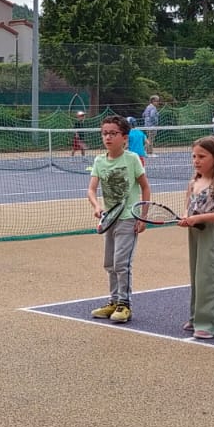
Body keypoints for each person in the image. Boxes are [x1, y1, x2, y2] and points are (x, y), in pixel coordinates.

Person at [86, 115, 150, 325]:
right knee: (110, 263)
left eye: (113, 133)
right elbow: (91, 189)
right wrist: (97, 206)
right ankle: (113, 301)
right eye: (105, 133)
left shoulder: (131, 159)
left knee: (122, 263)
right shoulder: (99, 160)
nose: (108, 137)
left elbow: (145, 187)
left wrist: (143, 216)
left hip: (128, 218)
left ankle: (125, 304)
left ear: (124, 137)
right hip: (110, 220)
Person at [179, 135, 214, 340]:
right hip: (195, 232)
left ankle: (211, 323)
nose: (197, 160)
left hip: (213, 234)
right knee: (197, 275)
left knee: (209, 277)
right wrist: (186, 217)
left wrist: (199, 218)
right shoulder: (193, 181)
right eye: (194, 156)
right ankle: (196, 317)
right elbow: (188, 206)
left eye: (202, 156)